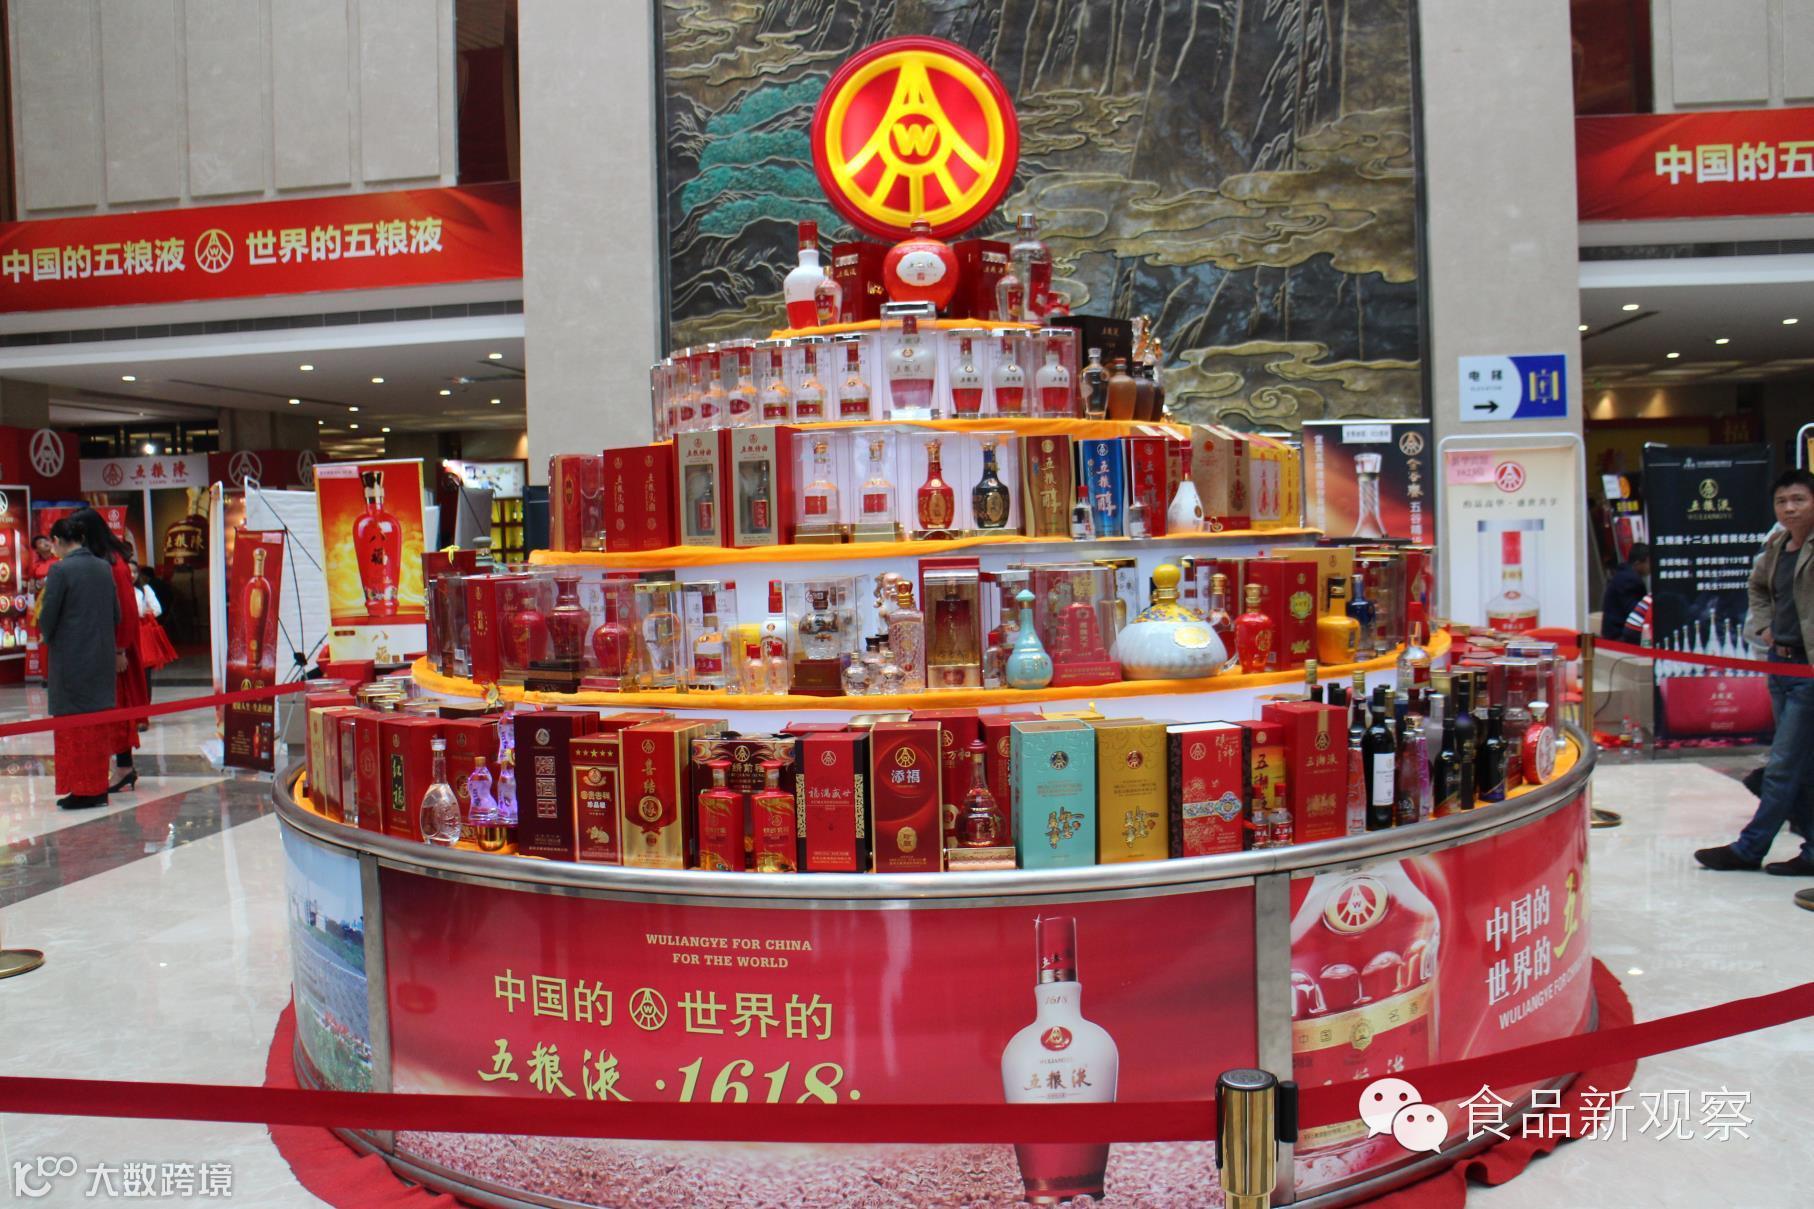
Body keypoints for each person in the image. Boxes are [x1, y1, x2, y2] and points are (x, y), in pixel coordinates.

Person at [1696, 469, 1814, 875]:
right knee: (1803, 767)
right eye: (1782, 501)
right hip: (1779, 665)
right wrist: (1764, 625)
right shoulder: (1777, 546)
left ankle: (1749, 849)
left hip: (1809, 671)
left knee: (1781, 766)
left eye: (1798, 499)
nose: (1789, 508)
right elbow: (1758, 588)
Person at [36, 516, 120, 809]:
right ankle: (97, 787)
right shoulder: (103, 567)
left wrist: (47, 635)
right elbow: (116, 614)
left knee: (72, 727)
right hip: (101, 657)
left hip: (71, 659)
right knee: (97, 727)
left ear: (58, 541)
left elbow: (48, 615)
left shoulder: (60, 570)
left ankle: (82, 790)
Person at [71, 509, 146, 795]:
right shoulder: (103, 560)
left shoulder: (114, 564)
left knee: (118, 708)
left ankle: (124, 767)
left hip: (115, 649)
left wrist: (119, 650)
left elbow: (126, 610)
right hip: (104, 647)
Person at [132, 558, 178, 699]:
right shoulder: (119, 589)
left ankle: (146, 702)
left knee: (144, 670)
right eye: (129, 572)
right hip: (128, 632)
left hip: (142, 632)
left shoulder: (144, 589)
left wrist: (142, 613)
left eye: (134, 572)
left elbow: (157, 609)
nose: (132, 575)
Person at [1600, 541, 1650, 639]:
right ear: (1638, 563)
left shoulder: (1623, 574)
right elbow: (1636, 613)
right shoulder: (1630, 579)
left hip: (1614, 633)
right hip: (1619, 636)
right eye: (1649, 562)